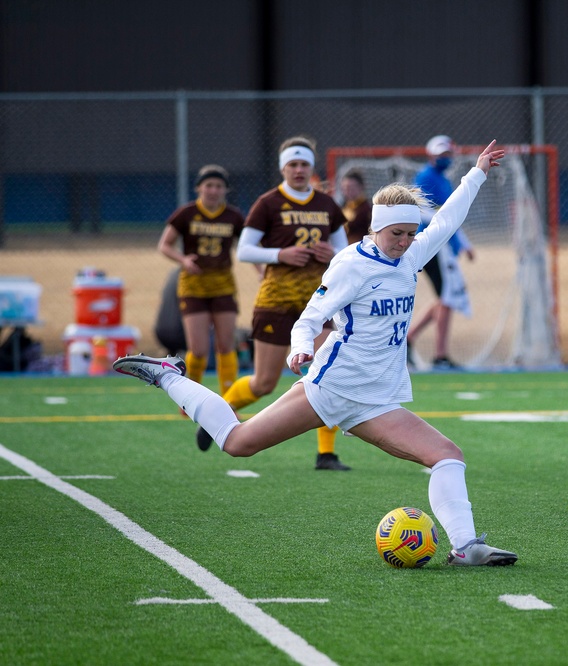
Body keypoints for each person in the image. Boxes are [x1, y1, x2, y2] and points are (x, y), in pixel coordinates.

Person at [114, 140, 518, 567]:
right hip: (333, 386)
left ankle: (466, 546)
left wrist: (476, 173)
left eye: (409, 233)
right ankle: (169, 375)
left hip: (377, 399)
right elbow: (309, 318)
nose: (404, 241)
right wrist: (302, 349)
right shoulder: (351, 264)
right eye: (395, 233)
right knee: (238, 443)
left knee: (447, 455)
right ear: (375, 229)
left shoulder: (411, 255)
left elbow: (447, 221)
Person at [195, 136, 353, 473]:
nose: (298, 170)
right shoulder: (268, 203)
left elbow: (347, 254)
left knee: (326, 377)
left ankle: (326, 454)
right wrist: (281, 254)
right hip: (276, 301)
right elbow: (244, 250)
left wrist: (333, 254)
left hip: (319, 303)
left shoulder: (326, 204)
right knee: (264, 383)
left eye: (304, 165)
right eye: (293, 164)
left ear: (311, 168)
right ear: (283, 167)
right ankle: (217, 415)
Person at [157, 165, 245, 395]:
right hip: (193, 287)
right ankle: (190, 395)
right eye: (209, 185)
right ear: (199, 188)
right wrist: (183, 260)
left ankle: (229, 399)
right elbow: (164, 245)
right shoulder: (186, 214)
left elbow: (246, 246)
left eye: (219, 186)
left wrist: (260, 269)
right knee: (198, 349)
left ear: (225, 190)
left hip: (223, 286)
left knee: (226, 345)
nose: (213, 191)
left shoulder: (233, 216)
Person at [407, 135, 475, 370]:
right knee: (447, 298)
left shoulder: (441, 179)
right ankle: (440, 355)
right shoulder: (426, 177)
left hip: (444, 246)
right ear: (431, 155)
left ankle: (411, 339)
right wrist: (442, 222)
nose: (446, 158)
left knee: (444, 298)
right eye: (441, 154)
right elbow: (422, 210)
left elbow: (451, 216)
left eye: (448, 154)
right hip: (434, 247)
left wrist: (464, 244)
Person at [339, 168, 373, 245]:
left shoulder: (367, 210)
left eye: (351, 187)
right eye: (345, 188)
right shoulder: (343, 207)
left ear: (361, 187)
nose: (348, 191)